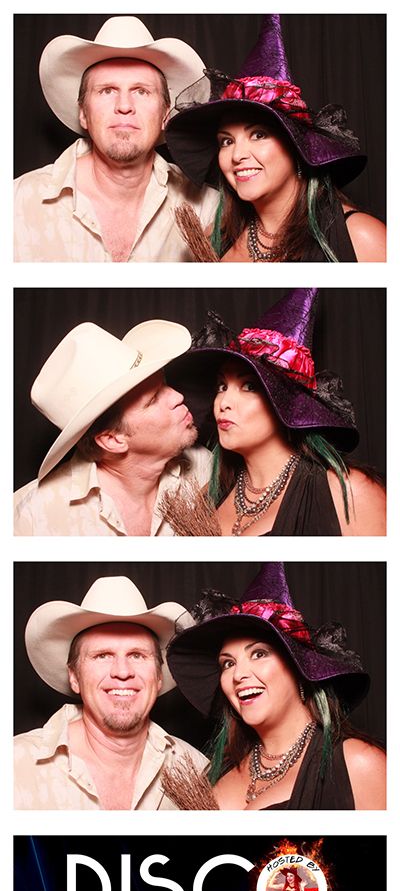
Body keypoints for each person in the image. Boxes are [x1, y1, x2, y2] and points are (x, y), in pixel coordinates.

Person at [161, 288, 386, 537]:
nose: (224, 402)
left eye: (249, 386)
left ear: (286, 403)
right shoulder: (207, 499)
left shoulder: (348, 493)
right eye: (221, 386)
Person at [166, 14, 386, 262]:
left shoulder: (361, 238)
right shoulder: (213, 244)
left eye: (258, 135)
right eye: (227, 141)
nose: (237, 155)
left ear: (297, 147)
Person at [166, 563, 386, 810]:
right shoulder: (215, 775)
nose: (238, 674)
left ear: (299, 669)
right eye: (228, 663)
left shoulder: (358, 764)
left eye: (259, 654)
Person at [14, 16, 218, 262]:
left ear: (165, 114)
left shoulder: (207, 209)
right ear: (83, 113)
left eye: (141, 91)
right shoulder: (16, 203)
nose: (124, 106)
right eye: (107, 90)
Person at [14, 576, 208, 810]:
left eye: (137, 655)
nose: (122, 672)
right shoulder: (15, 767)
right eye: (102, 655)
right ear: (74, 677)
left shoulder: (196, 771)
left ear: (158, 676)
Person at [13, 319, 212, 536]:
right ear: (113, 439)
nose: (178, 396)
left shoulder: (206, 468)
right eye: (153, 399)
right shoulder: (29, 520)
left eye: (164, 384)